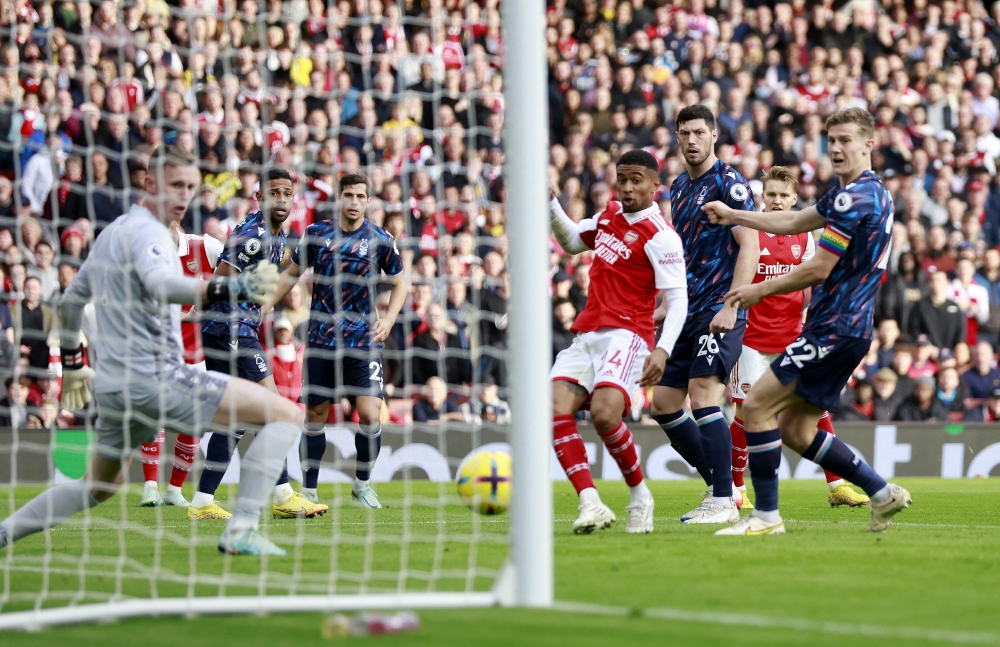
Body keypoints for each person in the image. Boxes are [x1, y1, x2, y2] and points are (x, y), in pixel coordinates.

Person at [0, 146, 300, 557]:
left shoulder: (110, 234)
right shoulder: (151, 233)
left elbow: (69, 303)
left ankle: (3, 533)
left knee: (96, 488)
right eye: (175, 185)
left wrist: (73, 363)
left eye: (191, 187)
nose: (184, 196)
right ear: (148, 184)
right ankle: (241, 528)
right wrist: (228, 287)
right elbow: (161, 285)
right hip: (158, 379)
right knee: (284, 413)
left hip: (115, 389)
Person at [705, 108, 912, 536]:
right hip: (849, 330)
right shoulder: (870, 192)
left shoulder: (853, 198)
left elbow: (817, 268)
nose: (835, 148)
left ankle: (766, 516)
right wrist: (737, 215)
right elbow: (795, 221)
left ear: (869, 144)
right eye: (830, 139)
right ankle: (880, 493)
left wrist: (757, 290)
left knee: (757, 406)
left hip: (833, 328)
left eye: (846, 141)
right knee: (798, 430)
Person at [548, 149, 688, 535]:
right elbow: (574, 241)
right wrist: (548, 203)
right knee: (554, 408)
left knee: (605, 415)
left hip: (628, 336)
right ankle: (590, 503)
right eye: (622, 178)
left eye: (636, 180)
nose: (627, 187)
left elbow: (678, 301)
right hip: (588, 332)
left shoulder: (661, 236)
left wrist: (663, 349)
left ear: (655, 186)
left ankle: (640, 496)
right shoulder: (608, 215)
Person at [189, 168, 327, 520]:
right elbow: (221, 280)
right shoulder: (253, 235)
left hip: (233, 327)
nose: (281, 198)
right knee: (273, 408)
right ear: (260, 198)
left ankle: (202, 502)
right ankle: (282, 495)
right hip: (230, 328)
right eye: (274, 192)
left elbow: (271, 275)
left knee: (234, 419)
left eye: (287, 193)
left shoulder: (277, 236)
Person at [728, 166, 868, 508]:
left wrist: (810, 318)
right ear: (762, 197)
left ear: (794, 199)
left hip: (791, 335)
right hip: (750, 338)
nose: (776, 201)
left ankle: (837, 487)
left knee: (815, 406)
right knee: (746, 412)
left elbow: (810, 283)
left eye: (783, 196)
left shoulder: (805, 236)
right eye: (770, 194)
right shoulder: (748, 232)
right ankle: (734, 490)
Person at [267, 173, 408, 509]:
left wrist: (388, 319)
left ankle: (361, 484)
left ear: (368, 201)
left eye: (361, 196)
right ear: (339, 198)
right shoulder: (317, 234)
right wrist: (263, 304)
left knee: (371, 414)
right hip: (320, 341)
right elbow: (290, 274)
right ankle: (310, 492)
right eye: (349, 195)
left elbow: (401, 282)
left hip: (364, 341)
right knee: (315, 414)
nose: (355, 202)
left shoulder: (380, 239)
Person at [651, 104, 759, 524]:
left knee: (702, 395)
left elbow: (749, 246)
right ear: (677, 138)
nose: (692, 140)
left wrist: (732, 305)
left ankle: (720, 499)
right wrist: (667, 301)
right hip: (687, 307)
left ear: (714, 135)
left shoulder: (729, 184)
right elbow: (684, 251)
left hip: (719, 307)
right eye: (685, 133)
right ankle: (724, 486)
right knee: (663, 402)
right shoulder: (679, 187)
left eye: (699, 132)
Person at [136, 221, 224, 508]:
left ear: (173, 223)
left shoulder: (205, 247)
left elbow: (235, 276)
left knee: (194, 422)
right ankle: (150, 486)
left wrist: (205, 308)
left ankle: (174, 490)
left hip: (199, 354)